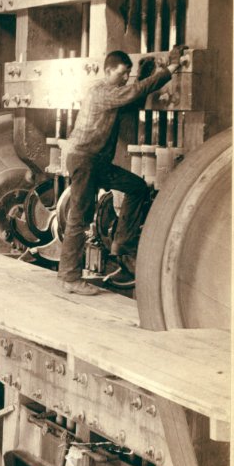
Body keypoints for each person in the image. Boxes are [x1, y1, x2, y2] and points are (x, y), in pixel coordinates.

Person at [58, 47, 185, 295]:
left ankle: (121, 245)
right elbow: (135, 92)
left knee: (136, 187)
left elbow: (133, 96)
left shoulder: (113, 92)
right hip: (85, 161)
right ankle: (69, 278)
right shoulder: (102, 92)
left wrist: (150, 72)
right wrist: (169, 69)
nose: (126, 78)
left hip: (97, 163)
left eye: (129, 73)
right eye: (122, 73)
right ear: (107, 71)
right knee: (79, 218)